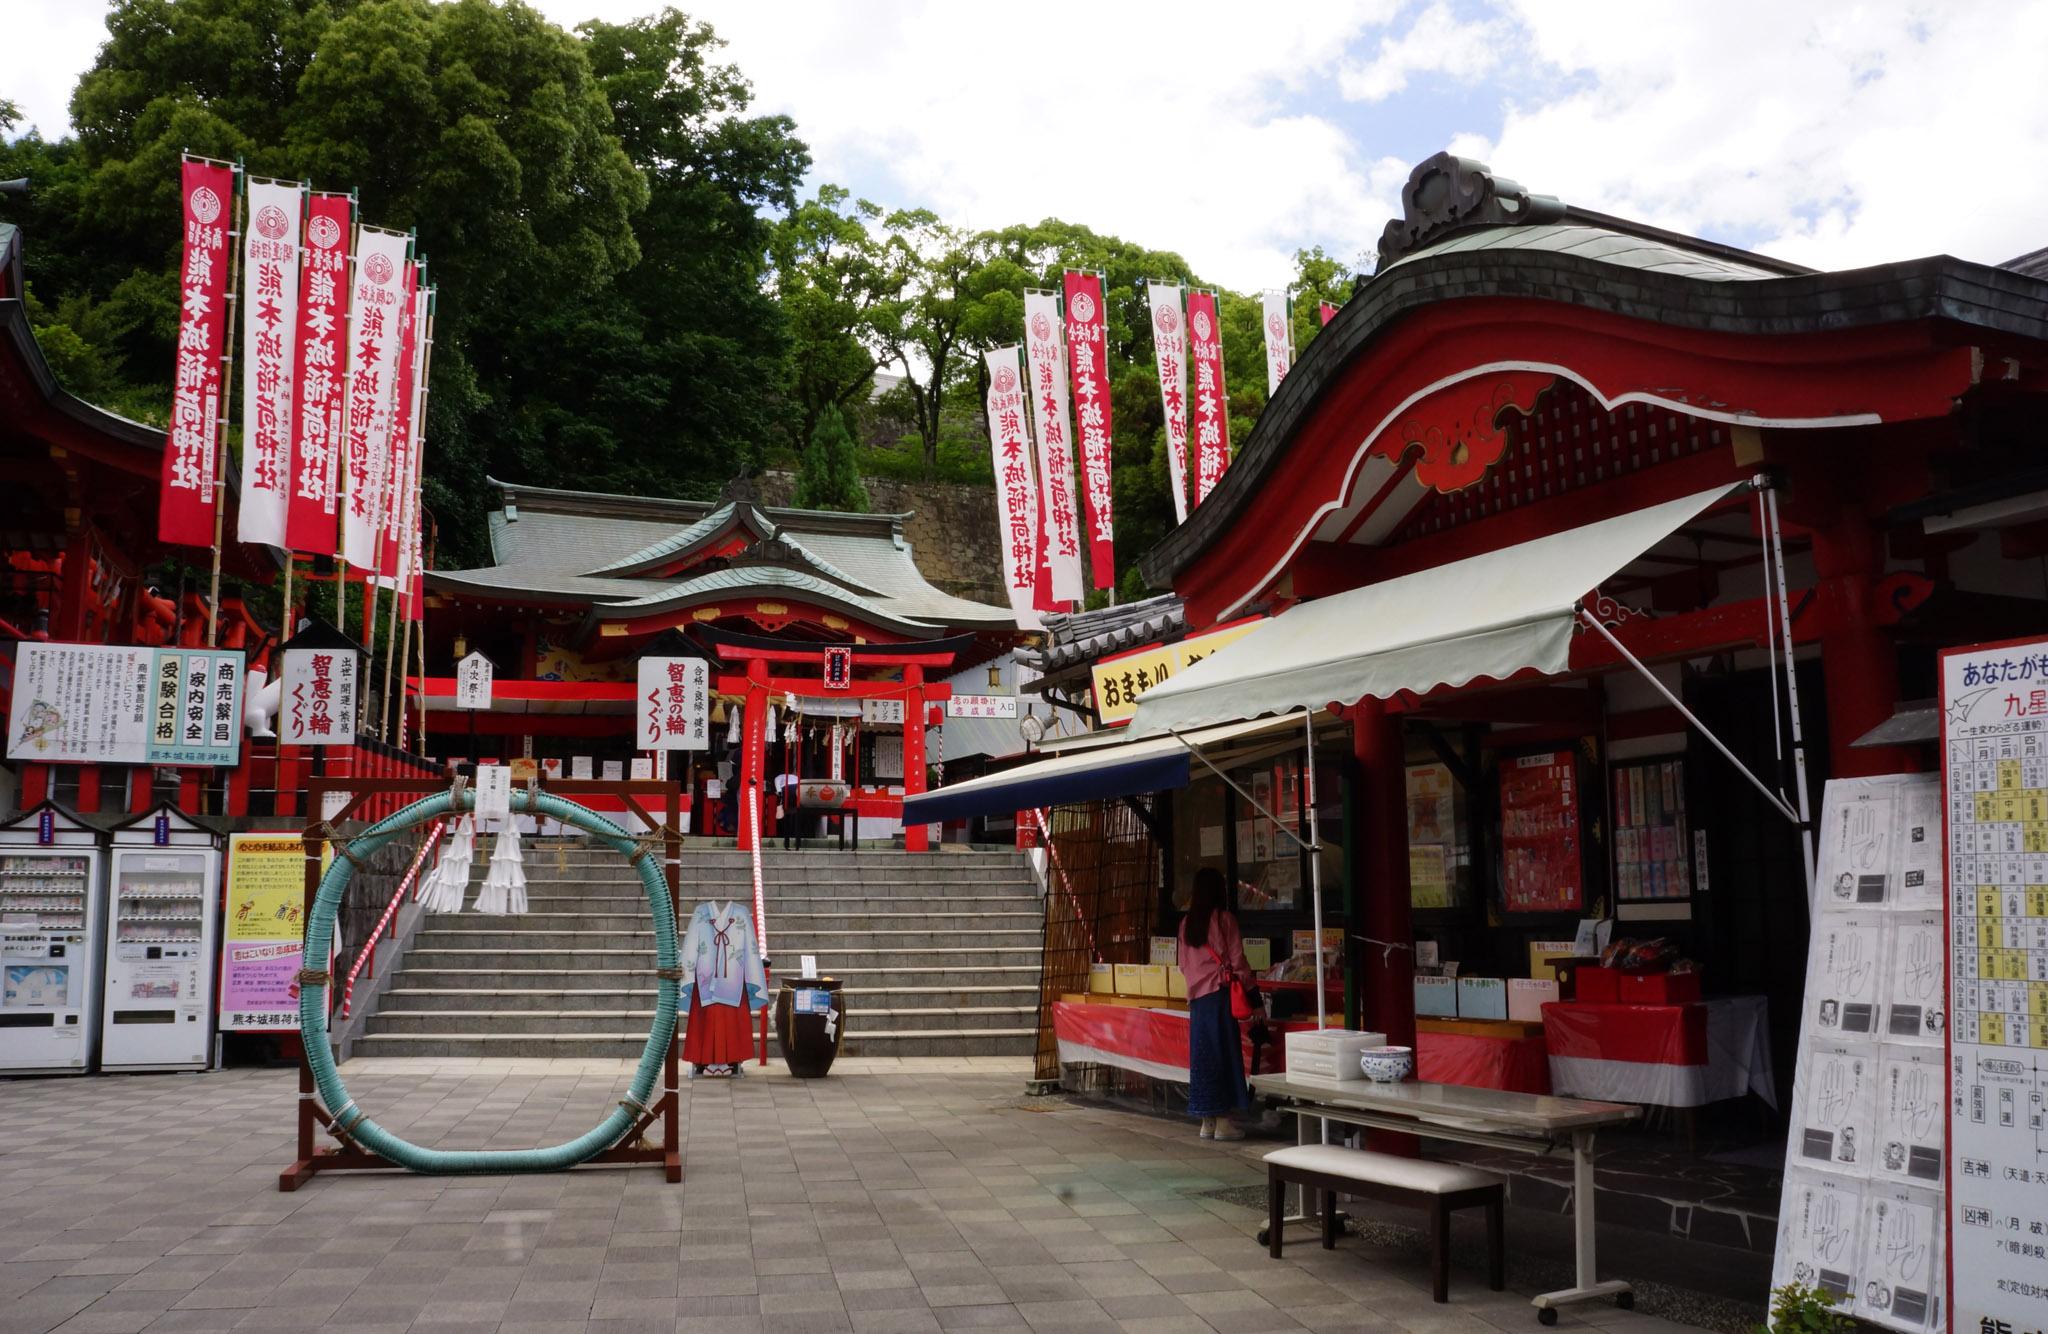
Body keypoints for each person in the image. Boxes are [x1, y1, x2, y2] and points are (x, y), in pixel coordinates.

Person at [1178, 866, 1259, 1140]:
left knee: (1203, 1058)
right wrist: (1254, 996)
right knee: (1224, 1055)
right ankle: (1225, 1122)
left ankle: (1207, 1122)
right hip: (1220, 997)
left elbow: (1182, 965)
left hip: (1197, 1002)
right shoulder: (1225, 920)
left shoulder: (1186, 924)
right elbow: (1238, 963)